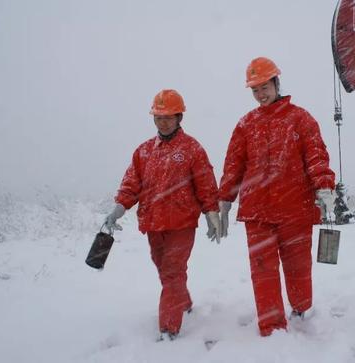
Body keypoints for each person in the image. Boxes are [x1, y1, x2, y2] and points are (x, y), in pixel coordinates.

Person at [218, 57, 336, 336]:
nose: (260, 93)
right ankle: (272, 327)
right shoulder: (246, 124)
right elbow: (233, 165)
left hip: (296, 207)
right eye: (255, 89)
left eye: (264, 86)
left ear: (276, 83)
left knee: (298, 265)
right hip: (258, 212)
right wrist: (224, 201)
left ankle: (302, 307)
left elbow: (316, 155)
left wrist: (324, 186)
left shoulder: (300, 118)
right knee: (263, 271)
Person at [103, 89, 222, 341]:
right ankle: (183, 301)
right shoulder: (144, 151)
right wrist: (118, 209)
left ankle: (169, 328)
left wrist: (212, 213)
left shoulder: (192, 149)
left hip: (182, 224)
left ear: (179, 117)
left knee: (171, 271)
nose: (163, 121)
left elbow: (206, 184)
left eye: (168, 116)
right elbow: (131, 185)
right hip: (153, 223)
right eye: (158, 117)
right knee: (164, 269)